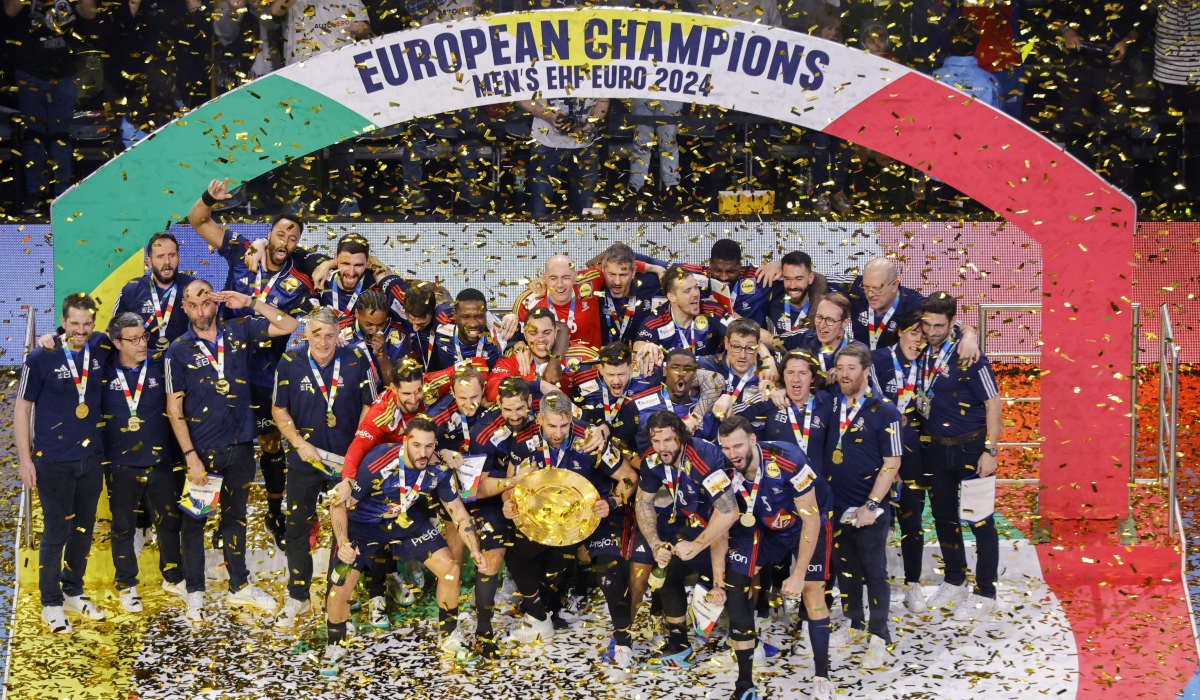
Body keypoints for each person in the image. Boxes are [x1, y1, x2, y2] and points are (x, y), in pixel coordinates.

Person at [189, 178, 316, 548]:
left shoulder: (300, 283)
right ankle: (209, 518)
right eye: (280, 234)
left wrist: (252, 306)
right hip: (222, 369)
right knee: (214, 442)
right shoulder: (243, 250)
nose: (285, 242)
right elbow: (198, 220)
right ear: (269, 234)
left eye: (292, 238)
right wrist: (209, 197)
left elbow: (290, 324)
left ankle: (274, 514)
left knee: (271, 444)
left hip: (264, 376)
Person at [165, 279, 299, 621]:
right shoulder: (178, 350)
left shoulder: (239, 330)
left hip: (240, 447)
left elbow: (289, 325)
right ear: (184, 308)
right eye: (193, 306)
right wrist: (190, 456)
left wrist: (250, 302)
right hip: (203, 453)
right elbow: (174, 408)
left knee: (235, 519)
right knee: (195, 522)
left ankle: (239, 586)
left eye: (206, 303)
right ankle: (195, 592)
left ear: (216, 302)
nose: (201, 312)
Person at [322, 422, 491, 676]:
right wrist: (344, 541)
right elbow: (338, 503)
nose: (423, 453)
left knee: (451, 570)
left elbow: (457, 510)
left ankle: (449, 636)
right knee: (340, 586)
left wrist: (474, 549)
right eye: (416, 445)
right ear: (405, 441)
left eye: (429, 446)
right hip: (363, 525)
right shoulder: (379, 462)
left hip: (406, 521)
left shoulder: (439, 468)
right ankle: (335, 644)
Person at [271, 307, 377, 628]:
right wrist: (296, 442)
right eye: (316, 334)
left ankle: (337, 596)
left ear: (338, 334)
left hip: (344, 462)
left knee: (344, 528)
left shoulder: (356, 359)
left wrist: (357, 449)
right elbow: (278, 410)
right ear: (305, 333)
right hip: (304, 459)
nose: (323, 341)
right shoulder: (290, 361)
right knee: (297, 527)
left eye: (329, 335)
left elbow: (370, 406)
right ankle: (298, 596)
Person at [500, 391, 628, 653]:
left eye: (564, 425)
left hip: (581, 523)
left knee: (559, 559)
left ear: (572, 419)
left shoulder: (590, 440)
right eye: (552, 426)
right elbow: (510, 486)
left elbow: (629, 479)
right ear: (539, 420)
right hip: (541, 521)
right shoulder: (523, 443)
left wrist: (613, 502)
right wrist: (508, 503)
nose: (558, 433)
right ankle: (540, 615)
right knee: (512, 553)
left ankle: (541, 615)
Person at [717, 414, 833, 700]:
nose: (732, 454)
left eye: (738, 446)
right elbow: (720, 519)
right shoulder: (722, 467)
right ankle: (745, 683)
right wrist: (718, 577)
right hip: (764, 527)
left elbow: (811, 519)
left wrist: (799, 573)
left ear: (752, 440)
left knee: (812, 590)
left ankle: (822, 675)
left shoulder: (788, 458)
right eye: (726, 447)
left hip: (808, 524)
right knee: (737, 586)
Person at [16, 293, 111, 634]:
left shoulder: (100, 346)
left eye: (87, 323)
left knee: (83, 529)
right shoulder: (40, 357)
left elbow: (126, 337)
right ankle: (51, 603)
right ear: (63, 322)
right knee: (56, 532)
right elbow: (22, 409)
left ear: (94, 323)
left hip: (91, 458)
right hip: (53, 461)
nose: (81, 330)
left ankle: (73, 590)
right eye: (74, 324)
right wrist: (25, 459)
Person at [918, 292, 1004, 621]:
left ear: (952, 322)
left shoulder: (970, 356)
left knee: (979, 521)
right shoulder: (921, 349)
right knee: (943, 518)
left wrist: (990, 450)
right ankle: (955, 579)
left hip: (970, 449)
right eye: (927, 324)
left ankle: (986, 592)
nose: (932, 331)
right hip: (935, 449)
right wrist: (968, 330)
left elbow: (993, 403)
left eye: (939, 326)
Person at [632, 410, 738, 670]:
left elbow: (728, 513)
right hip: (697, 524)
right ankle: (679, 646)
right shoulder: (652, 459)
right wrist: (655, 544)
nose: (662, 447)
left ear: (680, 436)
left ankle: (742, 637)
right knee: (667, 575)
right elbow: (643, 502)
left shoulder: (703, 456)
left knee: (735, 582)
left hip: (733, 527)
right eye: (656, 441)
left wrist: (698, 546)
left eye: (668, 440)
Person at [825, 344, 901, 670]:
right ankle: (854, 623)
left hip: (870, 509)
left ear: (866, 371)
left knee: (874, 571)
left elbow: (892, 462)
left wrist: (871, 505)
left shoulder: (885, 410)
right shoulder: (830, 404)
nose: (844, 374)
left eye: (851, 368)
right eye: (840, 367)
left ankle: (880, 635)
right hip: (837, 505)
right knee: (846, 568)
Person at [102, 312, 179, 614]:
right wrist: (55, 335)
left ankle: (173, 577)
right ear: (117, 343)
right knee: (123, 527)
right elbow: (80, 339)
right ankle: (126, 585)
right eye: (133, 340)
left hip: (159, 460)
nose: (142, 344)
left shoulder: (159, 363)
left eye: (144, 337)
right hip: (120, 463)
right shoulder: (103, 367)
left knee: (168, 522)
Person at [463, 377, 543, 656]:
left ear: (529, 402)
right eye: (508, 409)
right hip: (491, 501)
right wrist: (512, 483)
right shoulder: (484, 432)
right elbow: (474, 490)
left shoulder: (542, 416)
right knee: (492, 558)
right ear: (497, 404)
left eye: (520, 408)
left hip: (534, 495)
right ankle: (483, 632)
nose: (515, 416)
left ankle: (545, 609)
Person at [271, 0, 371, 214]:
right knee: (304, 143)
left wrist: (361, 29)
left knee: (342, 142)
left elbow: (365, 30)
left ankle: (346, 198)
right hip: (302, 80)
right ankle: (303, 200)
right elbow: (275, 11)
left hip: (340, 80)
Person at [5, 0, 97, 215]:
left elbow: (89, 13)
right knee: (33, 136)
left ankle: (62, 194)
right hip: (30, 72)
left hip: (64, 74)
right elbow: (10, 10)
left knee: (61, 136)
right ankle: (34, 194)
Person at [870, 309, 930, 613]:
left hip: (913, 454)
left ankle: (913, 583)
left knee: (912, 519)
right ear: (901, 331)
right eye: (913, 332)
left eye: (924, 335)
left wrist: (970, 333)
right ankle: (871, 583)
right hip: (879, 452)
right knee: (875, 519)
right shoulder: (878, 360)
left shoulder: (930, 361)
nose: (918, 341)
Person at [515, 96, 610, 219]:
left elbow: (603, 100)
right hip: (546, 143)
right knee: (540, 204)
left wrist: (591, 124)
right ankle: (537, 231)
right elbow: (520, 97)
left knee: (586, 206)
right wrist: (548, 116)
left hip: (585, 145)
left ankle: (584, 232)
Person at [113, 232, 198, 350]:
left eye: (172, 255)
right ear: (149, 262)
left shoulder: (193, 287)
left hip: (183, 359)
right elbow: (115, 332)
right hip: (143, 359)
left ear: (179, 258)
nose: (167, 262)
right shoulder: (131, 290)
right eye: (160, 256)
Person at [633, 265, 727, 370]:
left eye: (696, 287)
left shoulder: (713, 311)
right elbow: (637, 351)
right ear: (672, 297)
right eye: (687, 290)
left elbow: (738, 329)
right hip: (672, 378)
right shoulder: (656, 321)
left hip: (709, 376)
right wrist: (646, 349)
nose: (696, 294)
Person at [624, 348, 723, 446]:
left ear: (695, 374)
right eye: (675, 367)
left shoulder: (706, 404)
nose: (681, 373)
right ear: (665, 371)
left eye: (687, 369)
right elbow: (621, 442)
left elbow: (716, 379)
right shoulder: (638, 404)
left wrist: (694, 418)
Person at [507, 254, 605, 349]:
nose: (560, 284)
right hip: (547, 360)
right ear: (544, 278)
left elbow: (612, 259)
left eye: (566, 277)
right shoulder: (527, 301)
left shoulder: (590, 281)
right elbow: (510, 342)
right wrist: (518, 345)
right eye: (553, 278)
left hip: (591, 360)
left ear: (575, 275)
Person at [586, 243, 667, 346]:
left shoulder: (649, 282)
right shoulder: (592, 282)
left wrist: (656, 269)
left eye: (623, 275)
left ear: (634, 272)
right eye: (612, 274)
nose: (617, 282)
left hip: (637, 353)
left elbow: (681, 273)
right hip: (601, 354)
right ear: (603, 270)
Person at [484, 307, 568, 403]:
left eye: (547, 333)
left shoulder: (574, 356)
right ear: (525, 335)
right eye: (533, 333)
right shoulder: (513, 361)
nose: (540, 338)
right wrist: (537, 385)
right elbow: (492, 391)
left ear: (555, 333)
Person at [703, 318, 774, 415]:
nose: (742, 355)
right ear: (726, 343)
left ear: (759, 345)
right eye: (736, 347)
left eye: (750, 348)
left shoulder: (773, 372)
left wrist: (779, 389)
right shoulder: (708, 365)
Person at [344, 289, 410, 388]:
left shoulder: (400, 338)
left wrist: (381, 355)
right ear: (357, 313)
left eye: (381, 325)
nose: (374, 330)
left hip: (383, 395)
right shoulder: (338, 330)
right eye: (368, 324)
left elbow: (396, 386)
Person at [766, 251, 828, 335]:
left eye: (799, 279)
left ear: (810, 278)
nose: (792, 286)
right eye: (787, 279)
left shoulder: (826, 306)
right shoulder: (773, 303)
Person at [316, 235, 377, 318]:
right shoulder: (322, 277)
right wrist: (325, 265)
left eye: (358, 265)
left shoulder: (375, 287)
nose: (351, 272)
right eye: (346, 264)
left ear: (367, 262)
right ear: (336, 258)